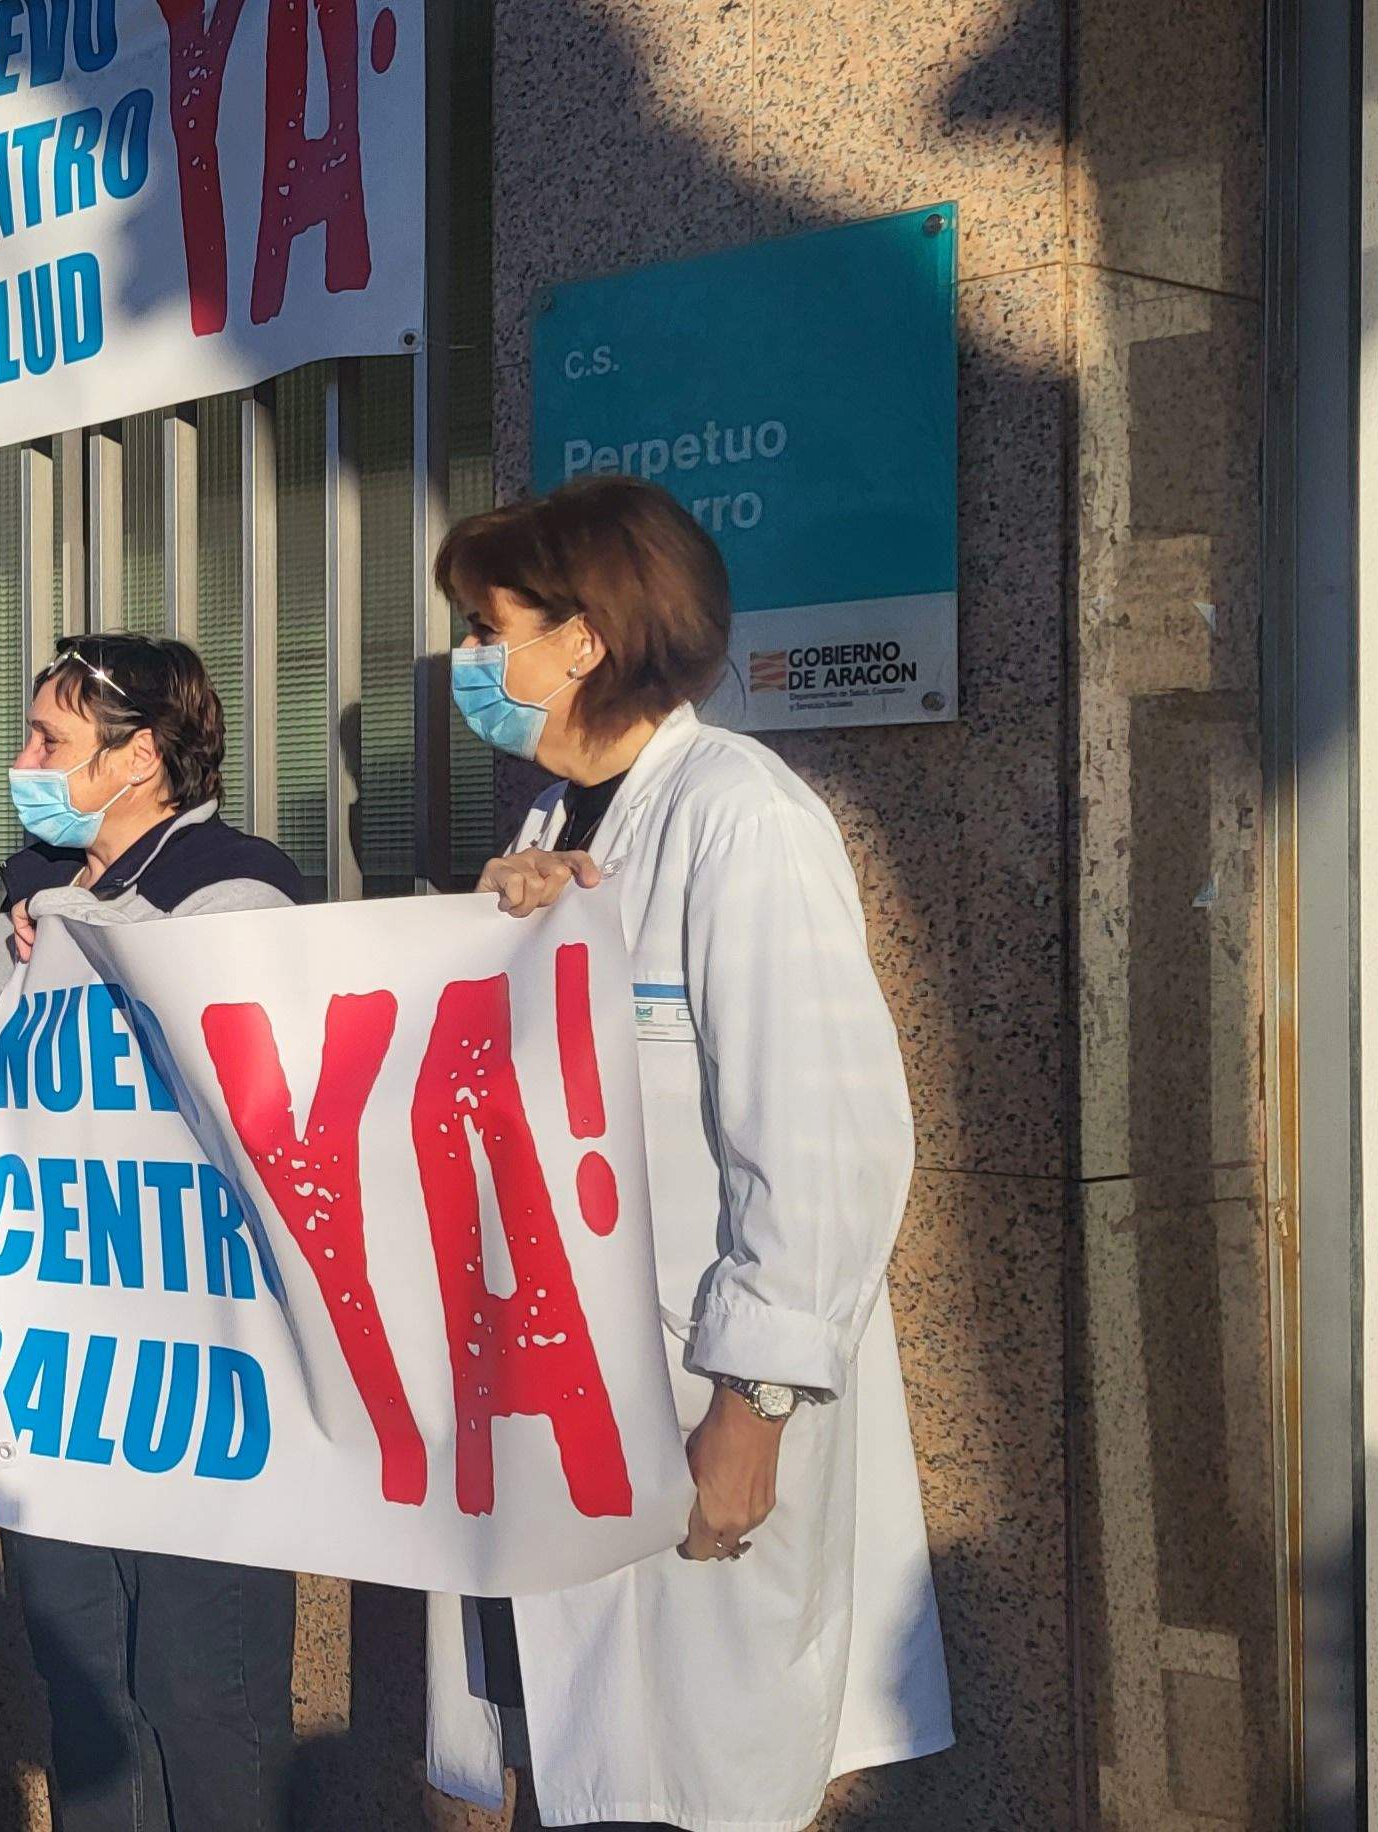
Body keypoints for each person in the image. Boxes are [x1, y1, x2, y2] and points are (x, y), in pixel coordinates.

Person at [432, 475, 950, 1830]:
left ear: (585, 638)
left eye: (490, 633)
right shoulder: (553, 833)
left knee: (702, 1782)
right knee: (593, 1770)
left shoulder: (745, 819)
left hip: (693, 1395)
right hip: (568, 1395)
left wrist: (753, 1409)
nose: (470, 665)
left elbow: (820, 1139)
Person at [0, 633, 304, 1832]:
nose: (21, 760)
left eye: (48, 739)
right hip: (59, 1392)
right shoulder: (41, 911)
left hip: (195, 1394)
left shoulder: (233, 896)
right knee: (89, 1703)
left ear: (140, 754)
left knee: (203, 1698)